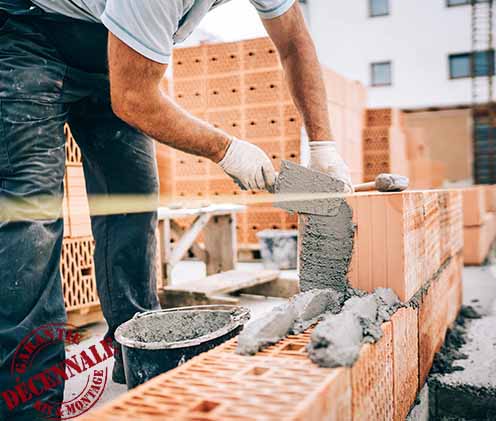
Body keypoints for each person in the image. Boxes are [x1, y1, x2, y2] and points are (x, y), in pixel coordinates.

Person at [0, 0, 351, 418]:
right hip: (29, 32)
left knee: (133, 200)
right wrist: (226, 150)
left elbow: (293, 41)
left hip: (107, 42)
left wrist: (323, 146)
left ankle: (136, 355)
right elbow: (134, 99)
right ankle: (27, 404)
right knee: (32, 219)